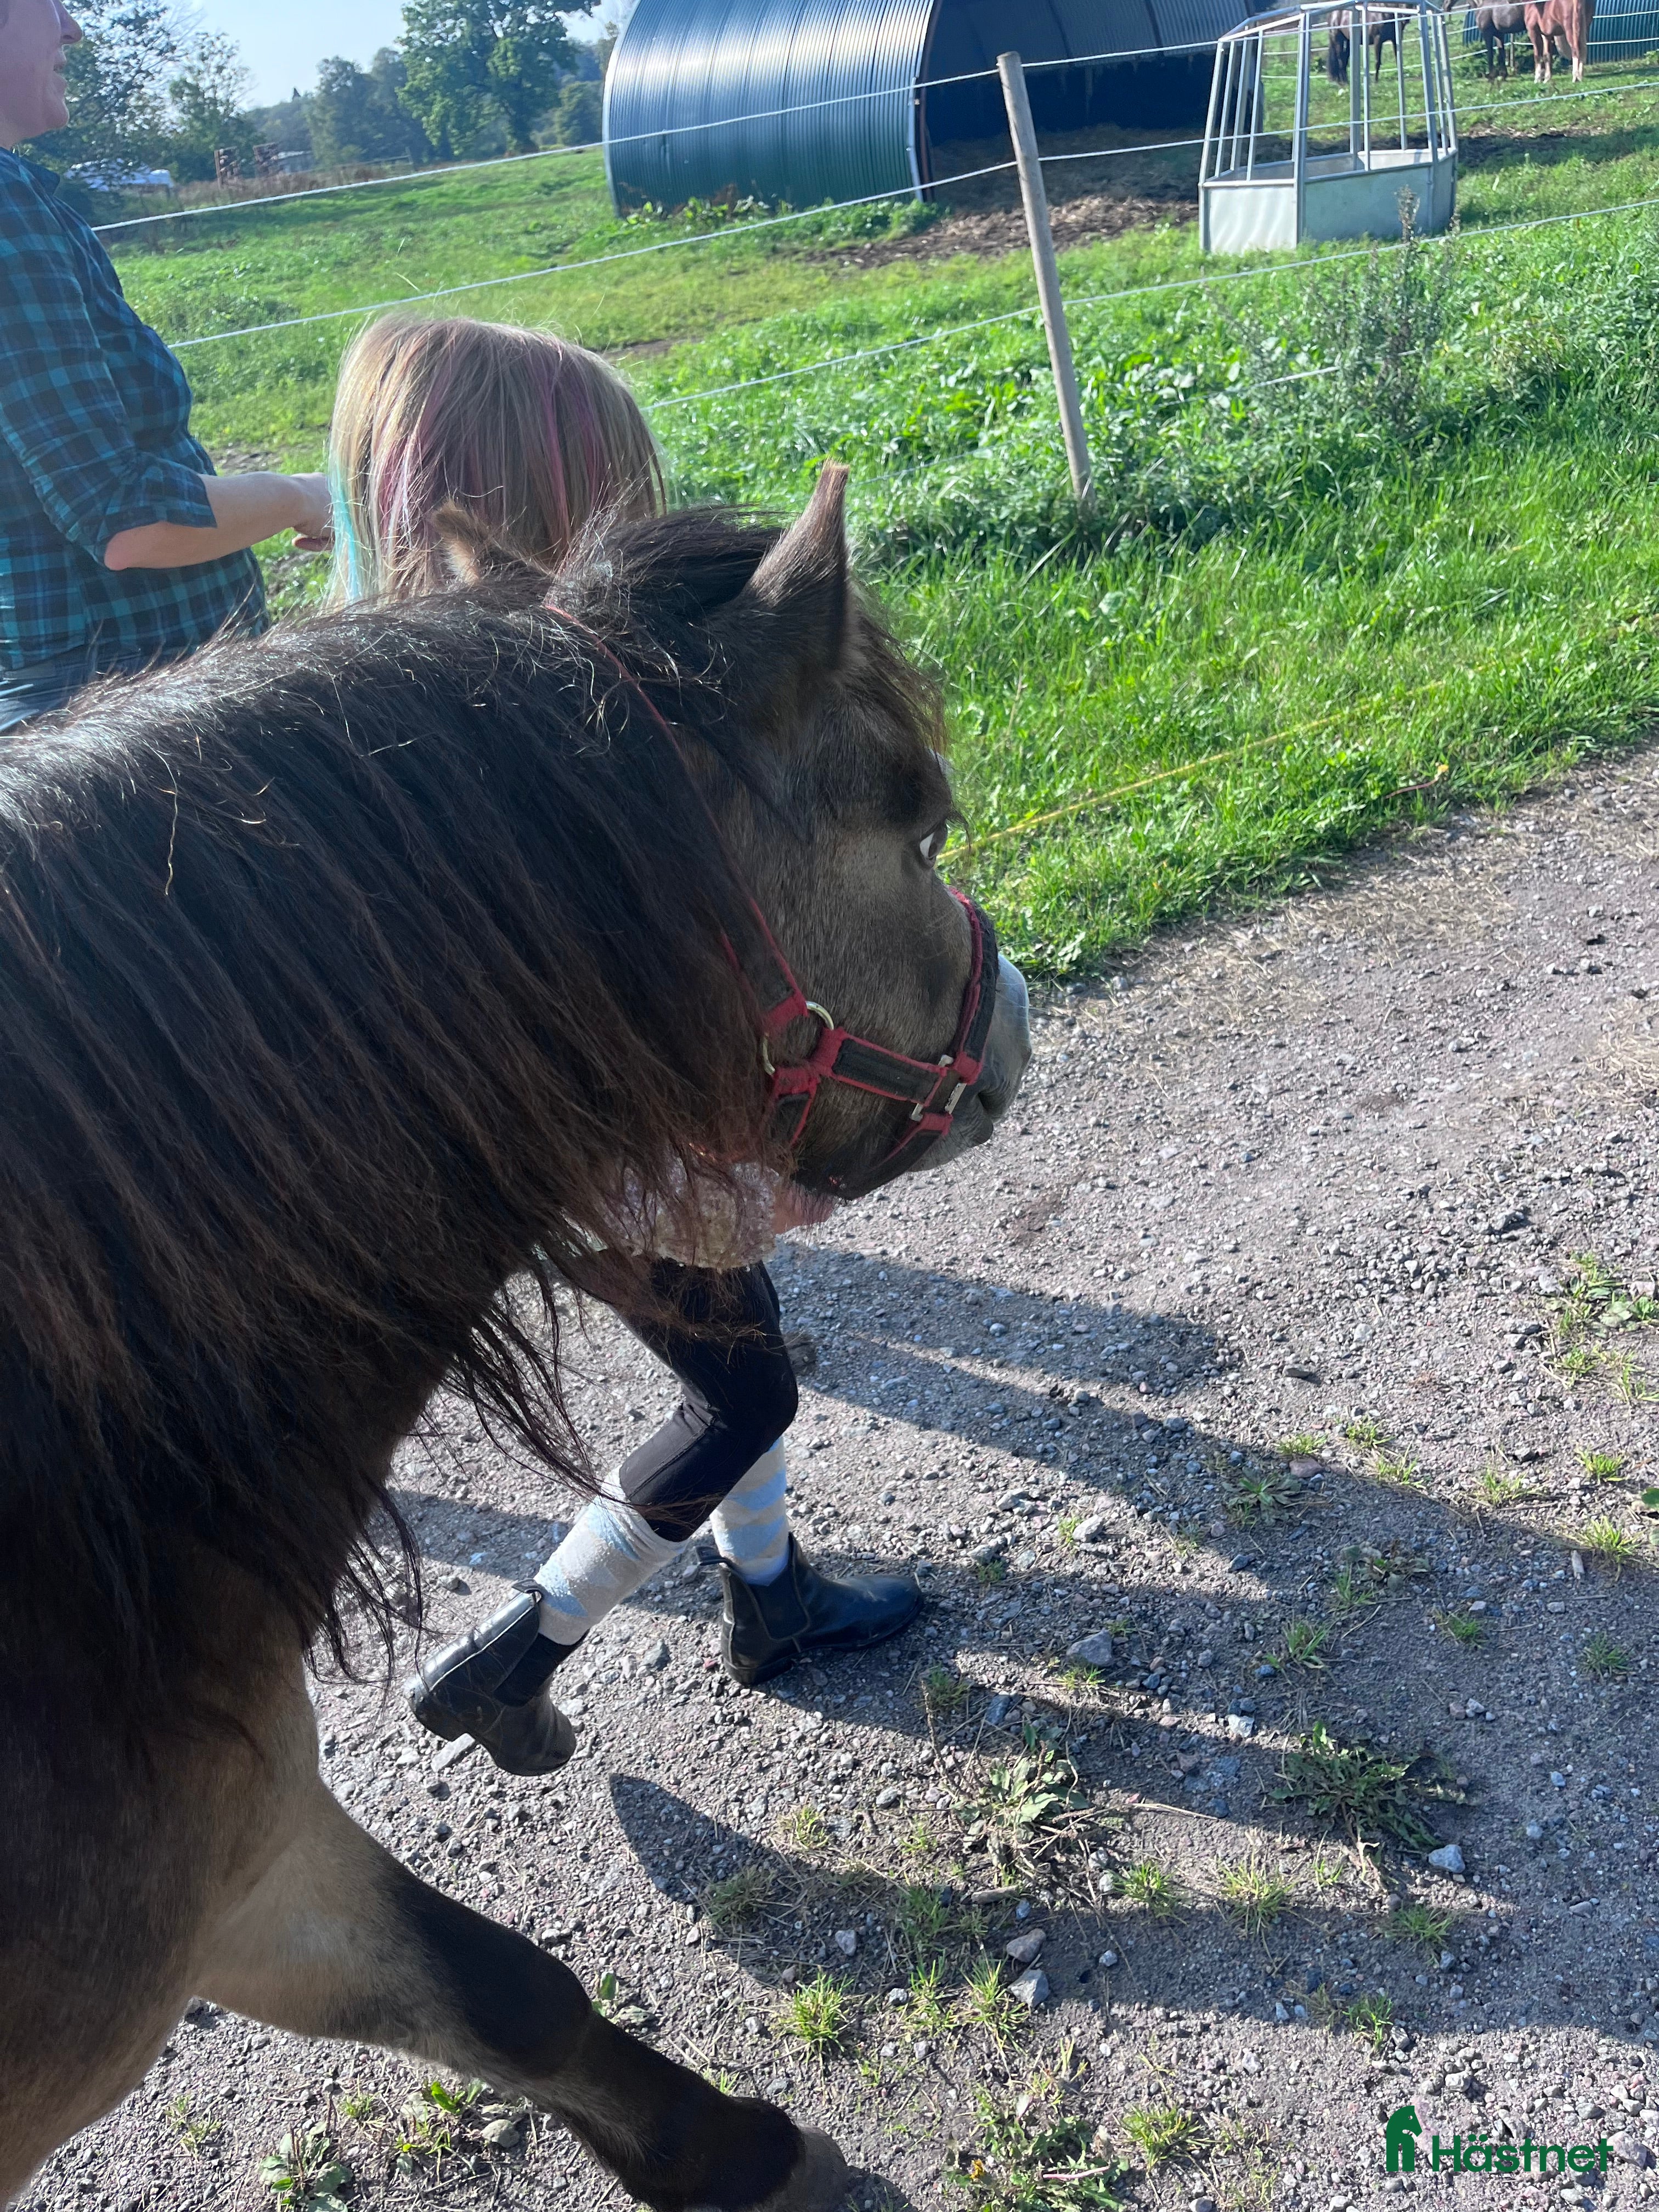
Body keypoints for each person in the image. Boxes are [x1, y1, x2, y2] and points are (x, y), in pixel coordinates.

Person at [321, 314, 921, 1774]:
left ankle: (771, 1591)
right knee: (745, 1387)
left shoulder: (379, 664)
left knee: (744, 1332)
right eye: (614, 489)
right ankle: (521, 1651)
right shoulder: (547, 704)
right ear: (538, 505)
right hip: (596, 1135)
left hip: (530, 1129)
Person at [0, 0, 330, 731]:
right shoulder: (5, 210)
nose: (72, 29)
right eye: (47, 4)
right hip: (124, 714)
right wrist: (304, 494)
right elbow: (127, 520)